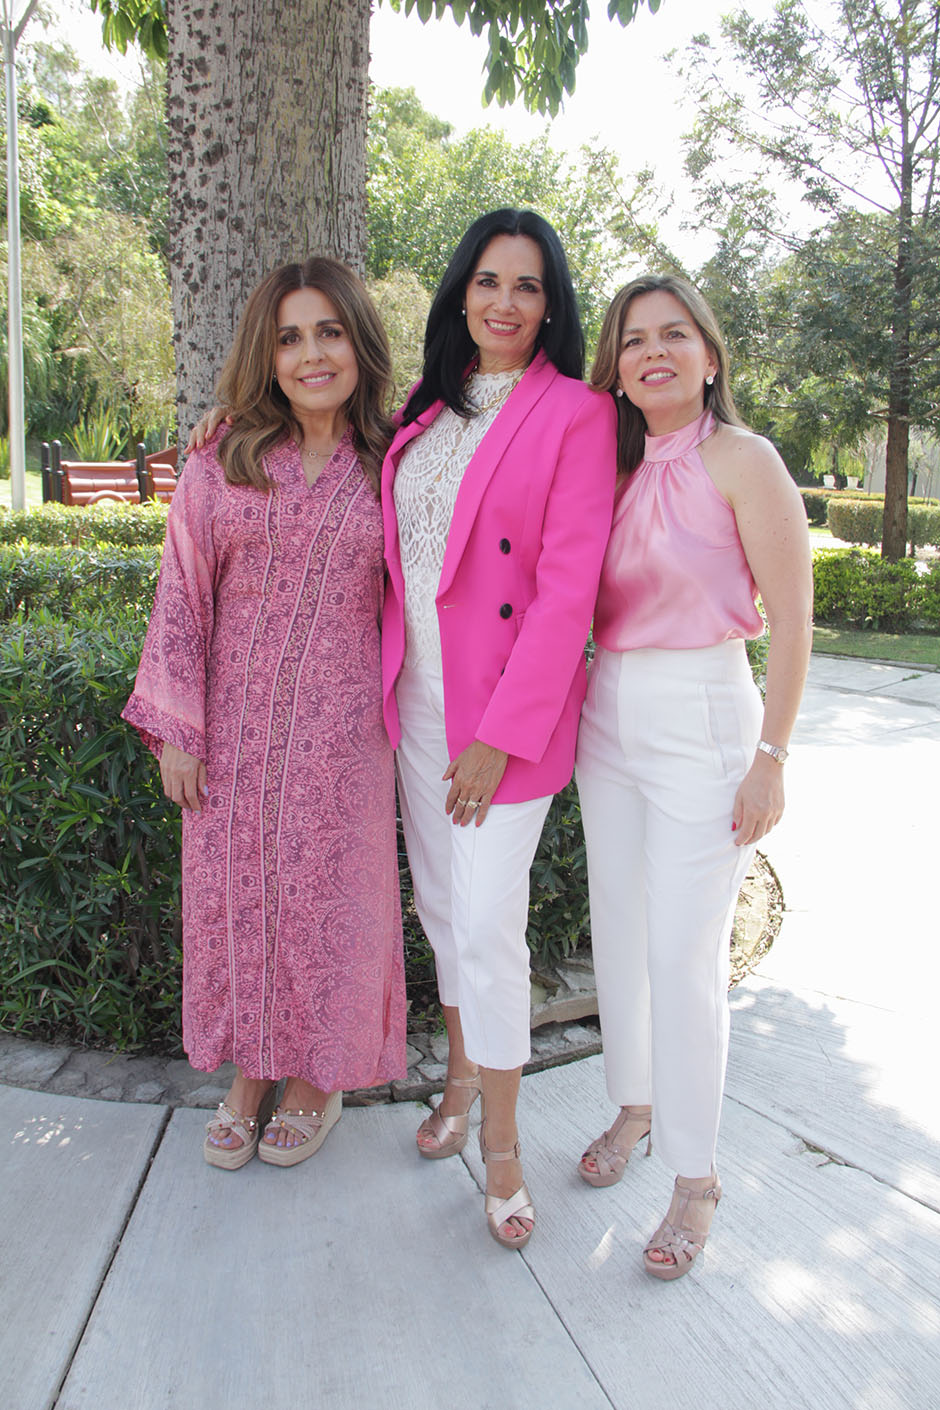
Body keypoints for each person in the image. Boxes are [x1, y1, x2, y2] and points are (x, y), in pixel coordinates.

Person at [123, 258, 406, 1170]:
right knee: (236, 901)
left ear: (358, 342)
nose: (311, 353)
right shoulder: (225, 458)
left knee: (328, 907)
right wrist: (177, 729)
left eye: (329, 331)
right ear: (267, 354)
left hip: (343, 740)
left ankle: (316, 1081)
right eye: (289, 337)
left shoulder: (396, 462)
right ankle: (248, 1073)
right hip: (235, 736)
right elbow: (181, 596)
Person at [382, 209, 617, 1248]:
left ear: (551, 304)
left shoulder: (576, 413)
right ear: (460, 294)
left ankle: (505, 1148)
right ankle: (461, 1080)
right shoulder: (423, 412)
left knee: (487, 926)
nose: (505, 303)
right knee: (442, 912)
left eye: (528, 286)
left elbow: (567, 594)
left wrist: (499, 735)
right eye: (488, 281)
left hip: (501, 721)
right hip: (415, 705)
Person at [575, 274, 813, 1278]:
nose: (653, 352)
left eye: (674, 335)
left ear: (709, 355)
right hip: (608, 714)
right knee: (619, 936)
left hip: (707, 719)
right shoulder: (608, 464)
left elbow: (796, 622)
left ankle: (695, 1177)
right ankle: (633, 1102)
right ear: (615, 369)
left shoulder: (742, 460)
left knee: (682, 958)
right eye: (634, 341)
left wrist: (773, 757)